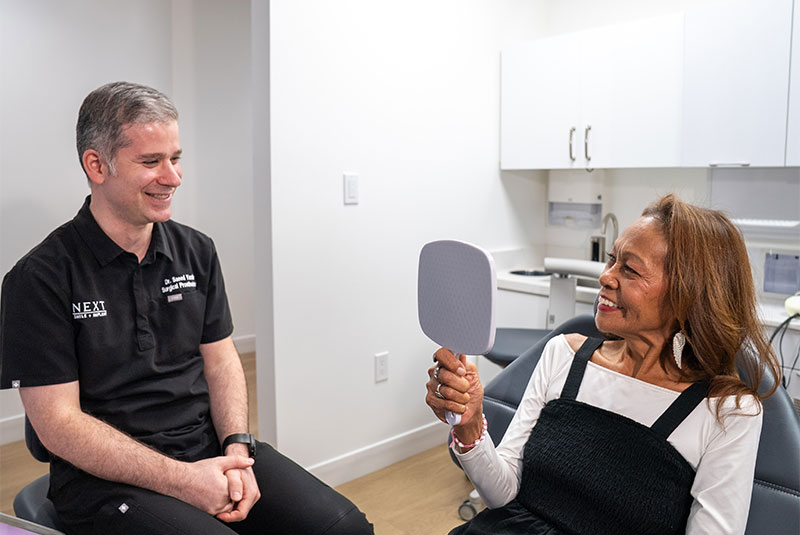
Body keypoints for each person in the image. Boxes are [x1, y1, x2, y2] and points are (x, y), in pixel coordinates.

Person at [0, 81, 373, 535]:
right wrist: (184, 481)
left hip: (207, 449)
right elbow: (58, 426)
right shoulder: (39, 279)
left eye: (175, 159)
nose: (173, 177)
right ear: (96, 165)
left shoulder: (197, 250)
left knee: (345, 529)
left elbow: (221, 360)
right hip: (106, 483)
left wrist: (237, 446)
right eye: (151, 162)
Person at [426, 194, 782, 535]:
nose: (606, 276)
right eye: (612, 260)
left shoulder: (727, 413)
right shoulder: (563, 356)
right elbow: (502, 494)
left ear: (687, 296)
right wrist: (470, 425)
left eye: (629, 269)